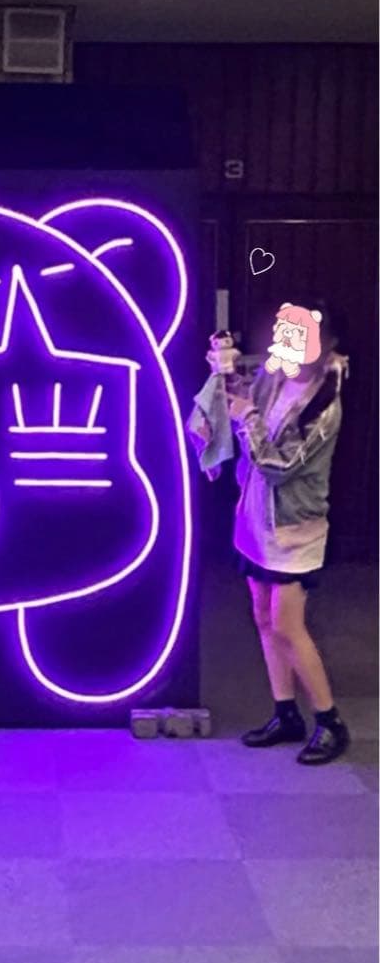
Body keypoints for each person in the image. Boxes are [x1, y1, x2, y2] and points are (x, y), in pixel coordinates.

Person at [191, 301, 351, 765]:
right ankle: (286, 713)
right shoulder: (277, 374)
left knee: (287, 624)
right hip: (255, 517)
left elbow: (279, 466)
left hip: (294, 528)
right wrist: (224, 373)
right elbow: (245, 397)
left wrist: (246, 418)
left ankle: (330, 721)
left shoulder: (325, 403)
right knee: (263, 616)